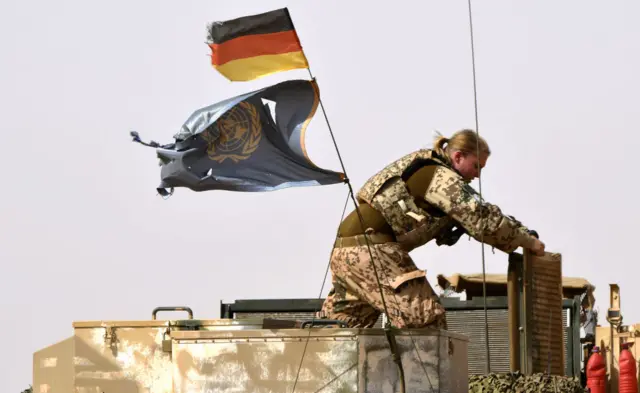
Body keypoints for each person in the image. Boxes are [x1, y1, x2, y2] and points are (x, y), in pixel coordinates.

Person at [319, 129, 545, 329]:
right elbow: (481, 219)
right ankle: (417, 379)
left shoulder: (430, 169)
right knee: (425, 319)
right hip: (370, 250)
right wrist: (528, 241)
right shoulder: (440, 177)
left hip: (347, 251)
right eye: (476, 166)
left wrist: (520, 231)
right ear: (458, 156)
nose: (478, 175)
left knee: (340, 326)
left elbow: (477, 216)